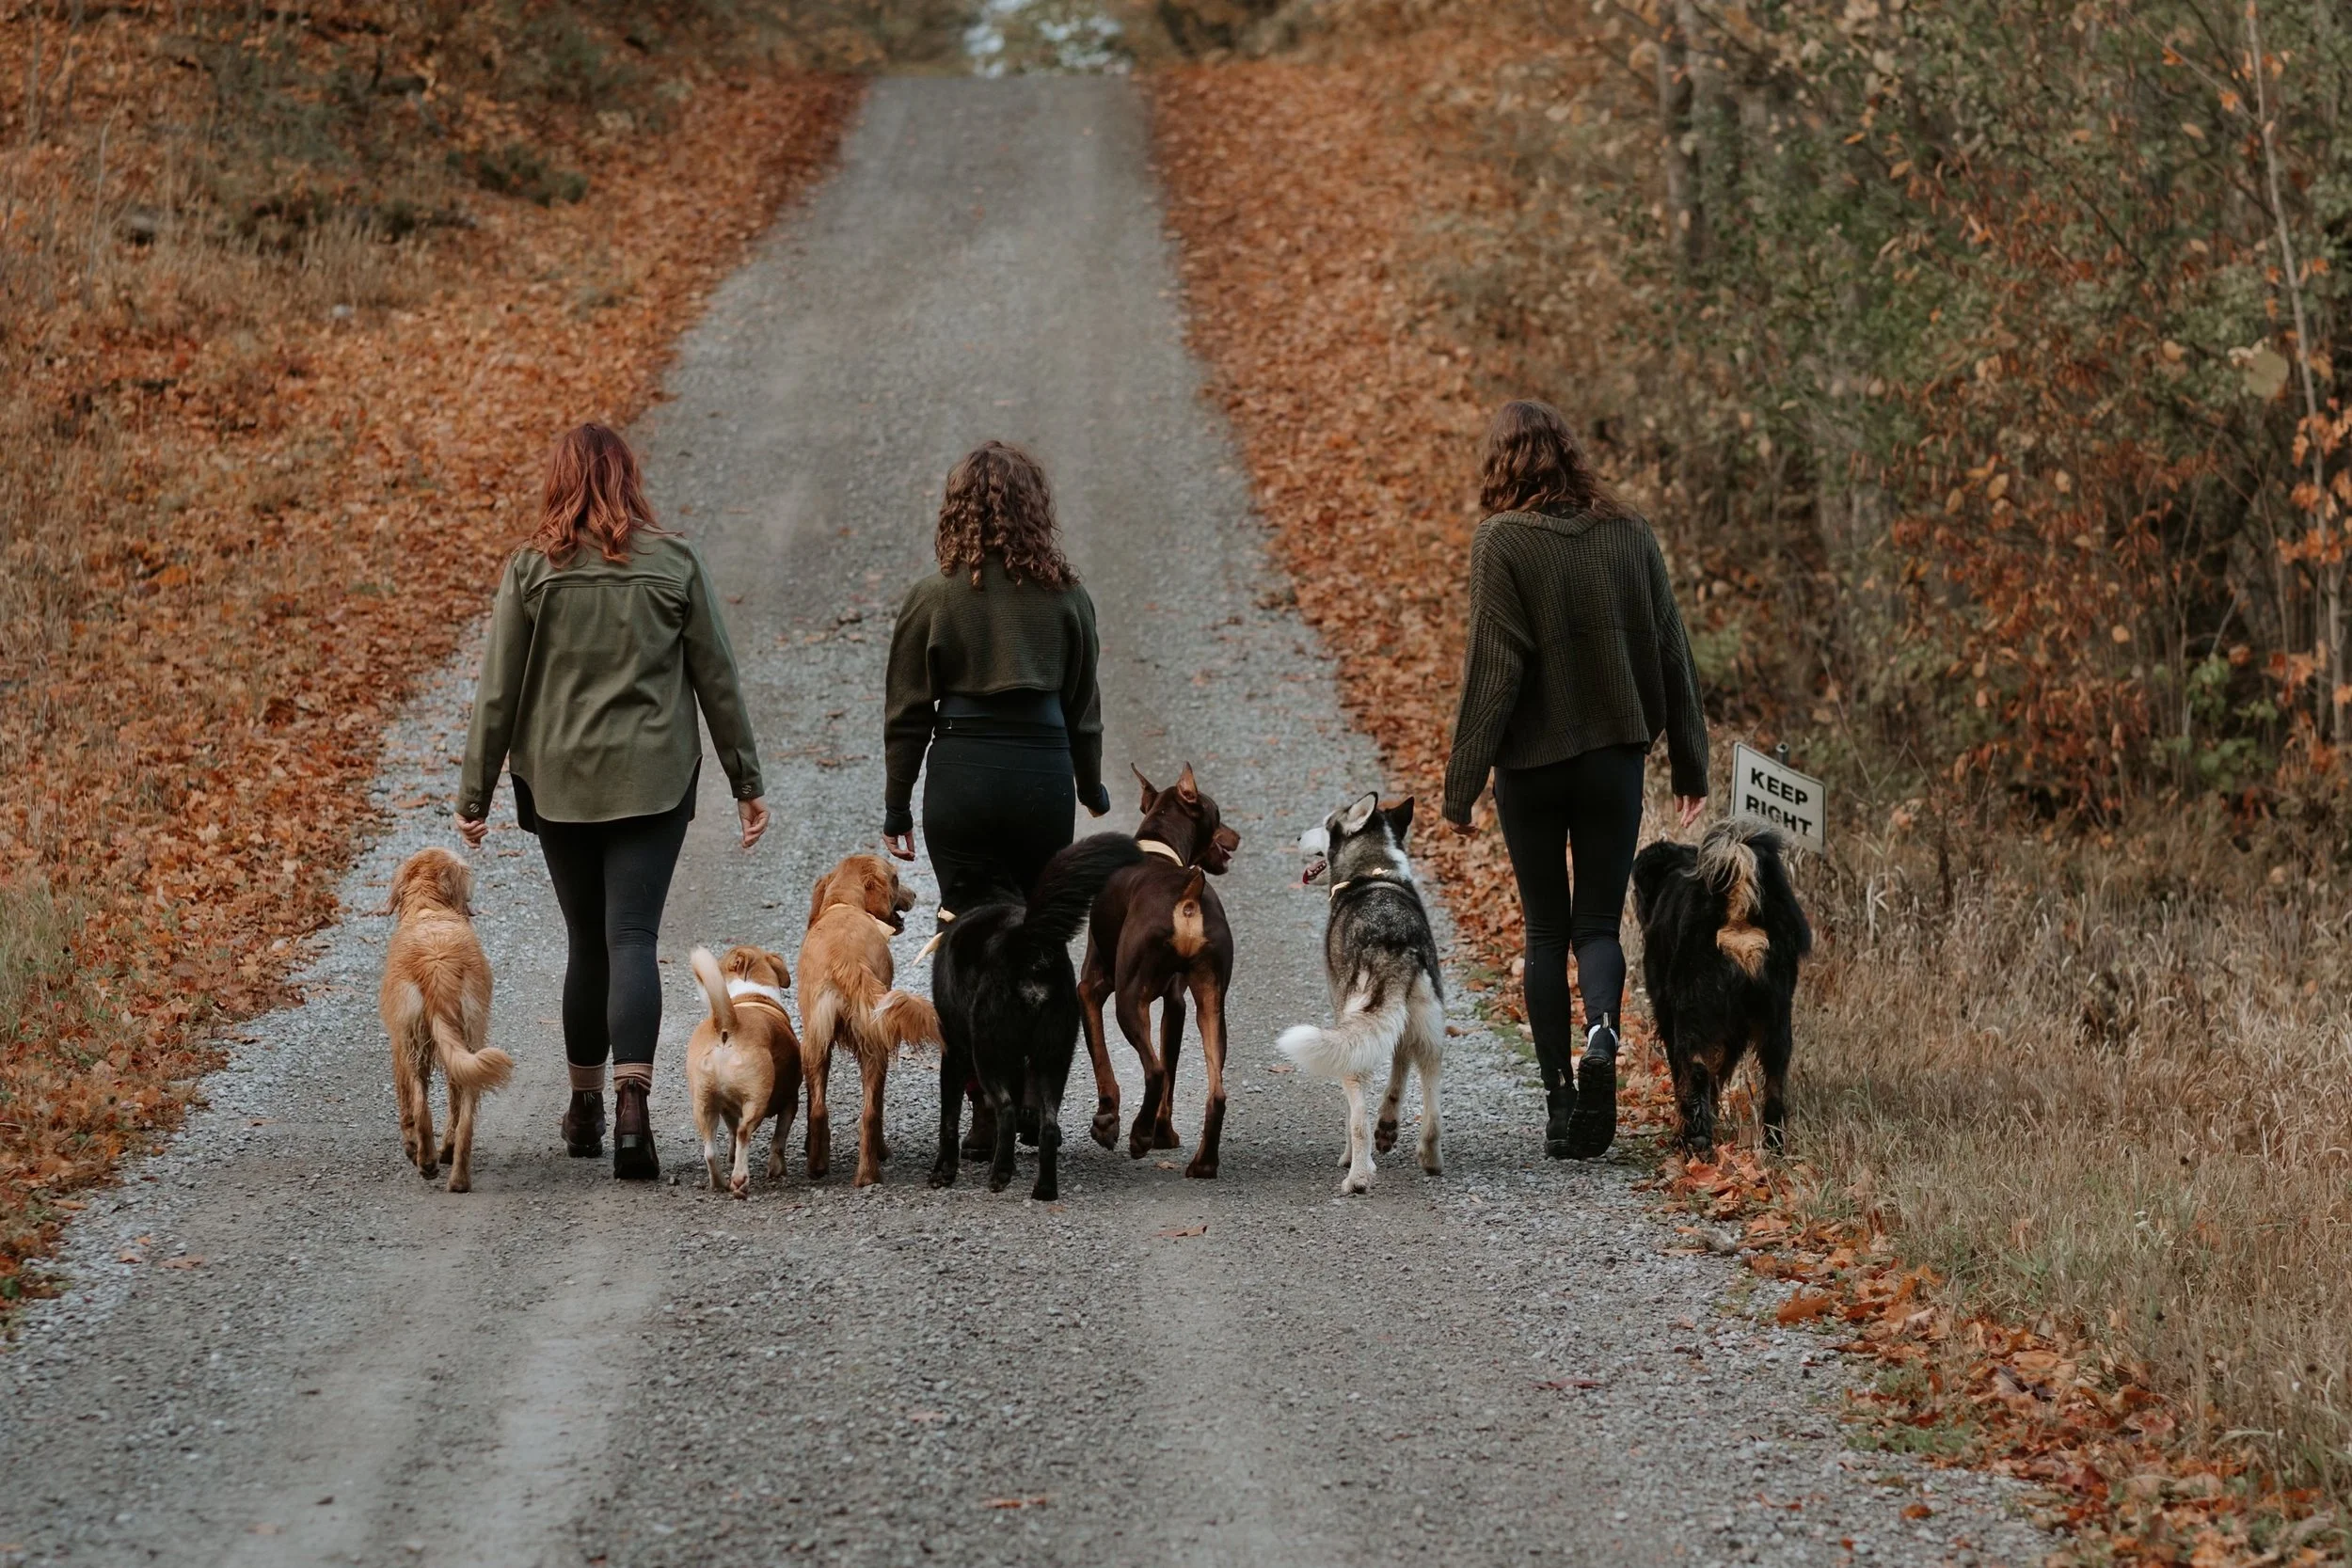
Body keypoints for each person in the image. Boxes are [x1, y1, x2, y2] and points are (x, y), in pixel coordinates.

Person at [457, 422, 769, 1180]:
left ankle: (587, 1106)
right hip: (653, 780)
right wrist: (745, 778)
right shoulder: (674, 563)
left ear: (558, 481)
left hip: (560, 780)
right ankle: (635, 1107)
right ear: (629, 479)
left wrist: (476, 789)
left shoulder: (533, 569)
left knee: (586, 940)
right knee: (632, 935)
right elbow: (716, 678)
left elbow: (497, 690)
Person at [1442, 400, 1707, 1161]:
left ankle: (1561, 1103)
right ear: (1569, 457)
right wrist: (1690, 760)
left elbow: (1493, 672)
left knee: (1545, 930)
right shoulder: (1629, 534)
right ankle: (1603, 1035)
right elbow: (1672, 652)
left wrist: (1461, 783)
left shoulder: (1501, 543)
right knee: (1596, 924)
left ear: (1501, 465)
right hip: (1612, 761)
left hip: (1530, 767)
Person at [882, 440, 1108, 1152]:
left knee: (969, 934)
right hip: (1041, 780)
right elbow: (1084, 705)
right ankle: (1040, 1093)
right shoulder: (1068, 597)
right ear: (1035, 513)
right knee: (1036, 926)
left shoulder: (933, 595)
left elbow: (907, 711)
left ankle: (983, 1101)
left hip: (963, 779)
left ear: (958, 513)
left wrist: (896, 805)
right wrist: (1090, 780)